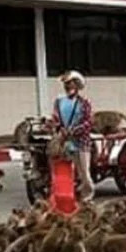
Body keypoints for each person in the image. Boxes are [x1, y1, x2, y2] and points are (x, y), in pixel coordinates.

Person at [52, 70, 94, 202]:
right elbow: (55, 118)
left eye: (70, 83)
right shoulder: (59, 101)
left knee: (84, 172)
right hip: (65, 140)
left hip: (81, 141)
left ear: (77, 85)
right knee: (64, 169)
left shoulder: (84, 102)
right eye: (66, 84)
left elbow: (88, 122)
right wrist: (56, 127)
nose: (67, 86)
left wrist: (74, 130)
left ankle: (87, 196)